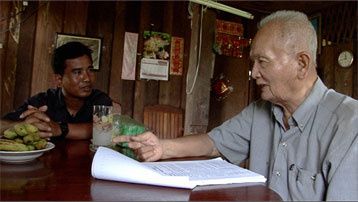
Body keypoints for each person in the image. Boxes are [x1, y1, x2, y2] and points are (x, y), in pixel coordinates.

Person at [113, 10, 358, 201]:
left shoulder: (349, 125)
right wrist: (162, 148)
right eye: (254, 63)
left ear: (302, 64)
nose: (254, 73)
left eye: (263, 61)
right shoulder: (260, 110)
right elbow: (213, 143)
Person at [1, 41, 120, 140]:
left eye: (90, 70)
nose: (87, 78)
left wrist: (60, 129)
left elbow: (102, 129)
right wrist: (22, 125)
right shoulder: (43, 100)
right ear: (59, 79)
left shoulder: (100, 99)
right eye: (77, 72)